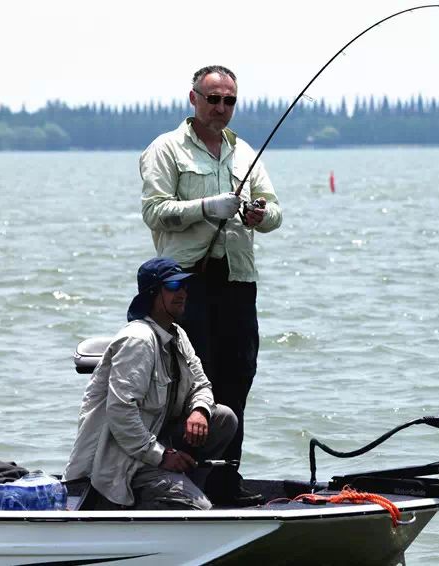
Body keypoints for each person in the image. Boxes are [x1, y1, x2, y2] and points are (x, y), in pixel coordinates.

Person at [138, 65, 282, 506]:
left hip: (238, 281)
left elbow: (275, 210)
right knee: (192, 384)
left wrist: (259, 215)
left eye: (229, 100)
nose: (221, 107)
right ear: (193, 98)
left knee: (238, 377)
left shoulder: (245, 153)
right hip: (187, 283)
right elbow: (154, 211)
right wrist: (206, 207)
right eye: (213, 98)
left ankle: (226, 482)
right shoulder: (165, 149)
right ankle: (184, 479)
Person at [64, 257, 238, 510]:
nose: (183, 293)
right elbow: (121, 412)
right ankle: (134, 500)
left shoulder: (177, 335)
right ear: (153, 293)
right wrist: (162, 456)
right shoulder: (138, 340)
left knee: (222, 418)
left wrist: (199, 411)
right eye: (174, 286)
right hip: (121, 464)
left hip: (154, 447)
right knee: (198, 509)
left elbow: (201, 384)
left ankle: (181, 484)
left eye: (185, 286)